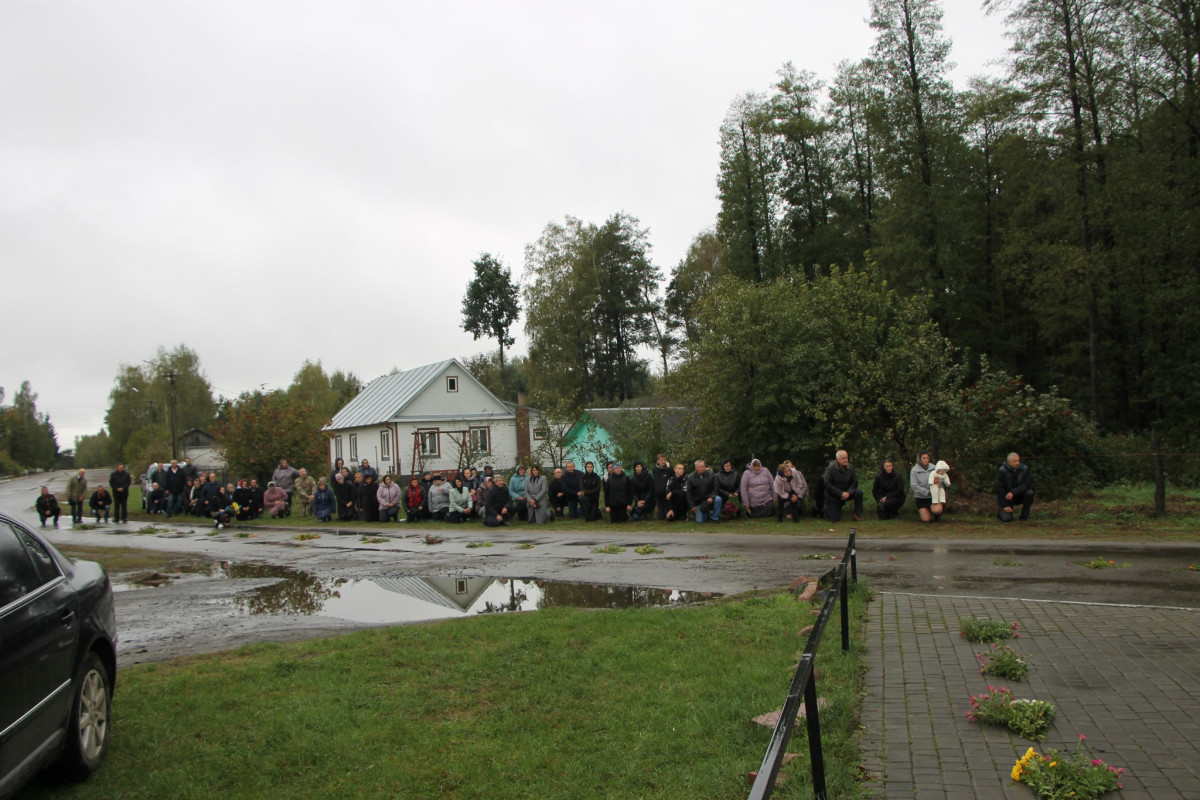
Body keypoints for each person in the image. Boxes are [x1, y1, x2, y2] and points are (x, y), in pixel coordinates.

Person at [823, 450, 864, 523]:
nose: (845, 460)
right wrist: (840, 493)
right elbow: (827, 484)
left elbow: (855, 482)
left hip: (847, 493)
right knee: (835, 519)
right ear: (837, 460)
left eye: (846, 458)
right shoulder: (830, 469)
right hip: (834, 496)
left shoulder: (851, 467)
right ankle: (827, 509)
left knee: (859, 493)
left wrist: (848, 492)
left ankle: (857, 514)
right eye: (843, 458)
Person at [995, 452, 1034, 522]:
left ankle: (1024, 516)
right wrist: (1005, 505)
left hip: (1018, 495)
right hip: (1007, 497)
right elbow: (999, 489)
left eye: (1018, 460)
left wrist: (1013, 492)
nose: (1017, 463)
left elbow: (1027, 485)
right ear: (1009, 462)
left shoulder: (1024, 469)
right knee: (1007, 519)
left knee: (1030, 493)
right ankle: (1001, 513)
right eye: (1015, 461)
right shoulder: (1002, 471)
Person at [910, 451, 936, 522]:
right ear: (919, 459)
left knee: (937, 510)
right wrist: (927, 492)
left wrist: (935, 489)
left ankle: (937, 514)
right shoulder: (914, 470)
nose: (926, 459)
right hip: (921, 498)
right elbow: (914, 485)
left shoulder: (934, 468)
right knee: (926, 519)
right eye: (923, 458)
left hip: (934, 497)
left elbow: (940, 480)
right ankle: (926, 512)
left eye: (927, 458)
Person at [652, 454, 672, 520]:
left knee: (668, 514)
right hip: (658, 494)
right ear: (658, 461)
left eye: (664, 460)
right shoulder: (655, 470)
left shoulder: (669, 470)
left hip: (666, 494)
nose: (663, 461)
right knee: (660, 515)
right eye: (661, 460)